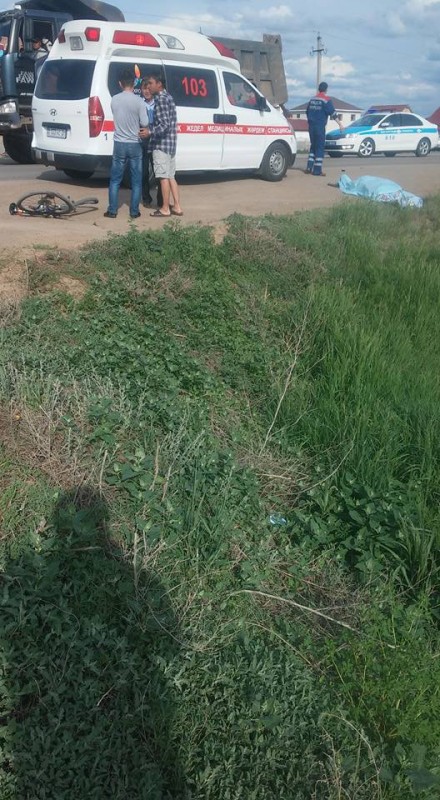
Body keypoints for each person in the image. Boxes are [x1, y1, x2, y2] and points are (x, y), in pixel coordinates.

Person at [104, 67, 149, 220]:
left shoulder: (114, 99)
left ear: (120, 83)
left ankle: (112, 211)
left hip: (119, 142)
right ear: (134, 83)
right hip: (135, 143)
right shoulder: (139, 101)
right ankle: (134, 212)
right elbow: (145, 122)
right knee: (136, 180)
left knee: (115, 179)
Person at [146, 72, 183, 218]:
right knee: (171, 176)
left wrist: (149, 132)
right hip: (171, 144)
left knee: (163, 177)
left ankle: (165, 208)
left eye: (150, 83)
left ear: (159, 84)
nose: (148, 86)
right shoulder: (168, 97)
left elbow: (164, 125)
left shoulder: (161, 100)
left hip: (161, 145)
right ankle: (177, 207)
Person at [305, 81, 343, 176]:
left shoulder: (312, 99)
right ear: (326, 90)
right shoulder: (326, 100)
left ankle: (309, 167)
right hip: (319, 126)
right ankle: (317, 170)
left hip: (311, 126)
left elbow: (307, 111)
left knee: (313, 146)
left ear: (319, 89)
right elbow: (333, 113)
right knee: (319, 147)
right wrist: (340, 124)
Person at [140, 78, 162, 208]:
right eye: (144, 88)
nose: (147, 91)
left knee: (158, 171)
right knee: (144, 172)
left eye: (149, 88)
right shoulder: (139, 104)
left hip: (155, 141)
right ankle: (146, 198)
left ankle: (161, 200)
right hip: (143, 141)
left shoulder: (158, 103)